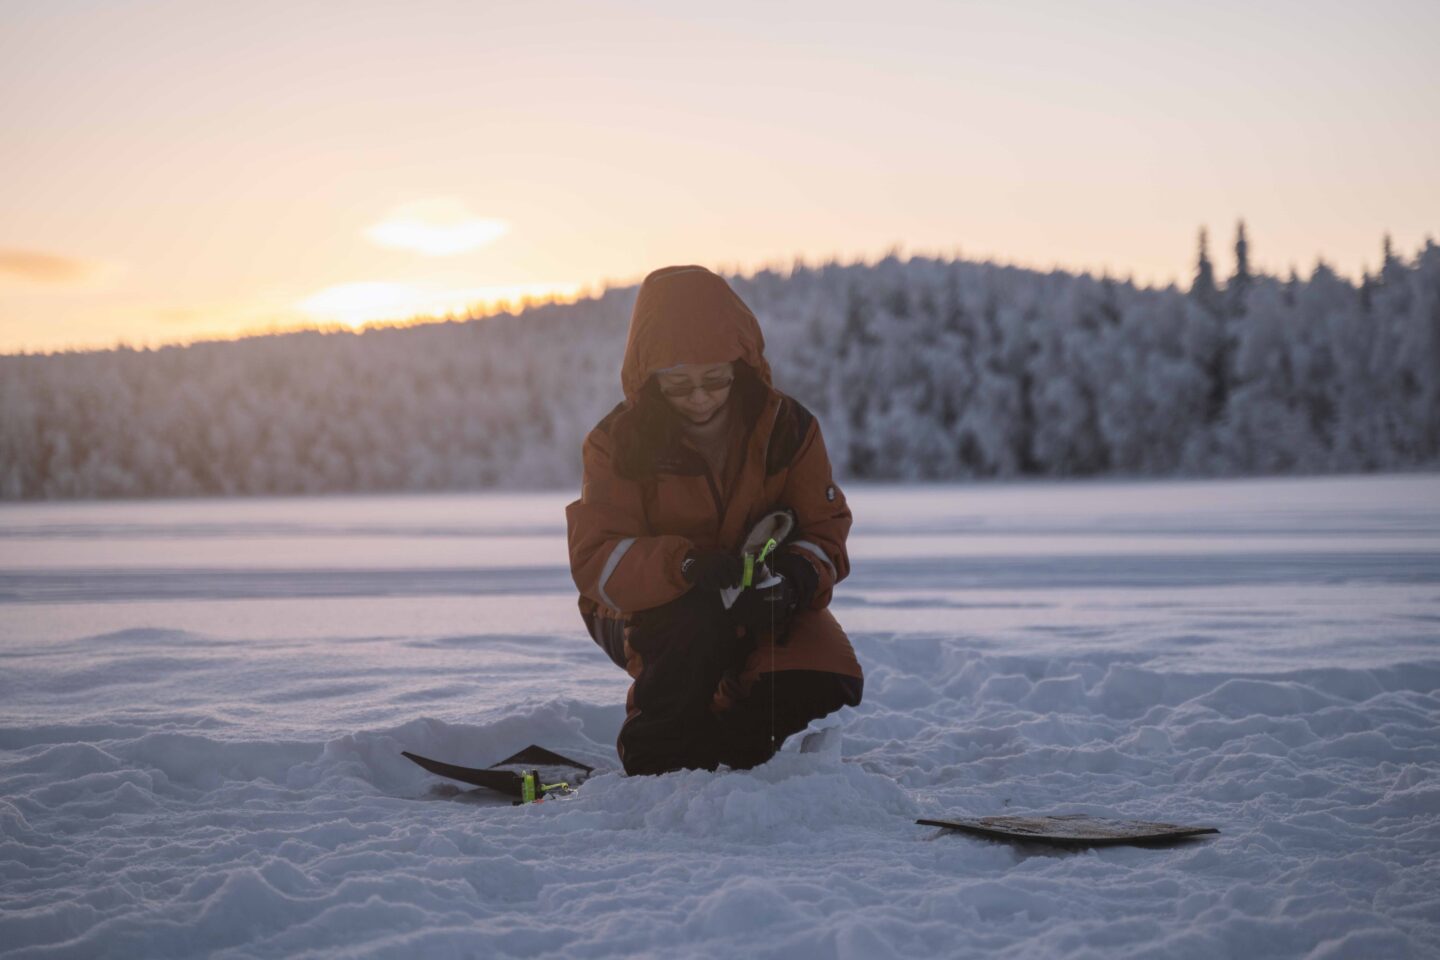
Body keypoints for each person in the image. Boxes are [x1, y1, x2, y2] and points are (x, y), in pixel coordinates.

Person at [565, 264, 863, 775]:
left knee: (825, 671)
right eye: (678, 385)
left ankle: (730, 745)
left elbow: (824, 531)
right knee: (696, 621)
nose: (699, 398)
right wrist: (684, 567)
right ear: (650, 380)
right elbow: (598, 559)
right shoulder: (618, 443)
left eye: (714, 380)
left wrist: (794, 579)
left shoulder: (789, 430)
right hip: (643, 610)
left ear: (740, 367)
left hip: (758, 599)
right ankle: (656, 752)